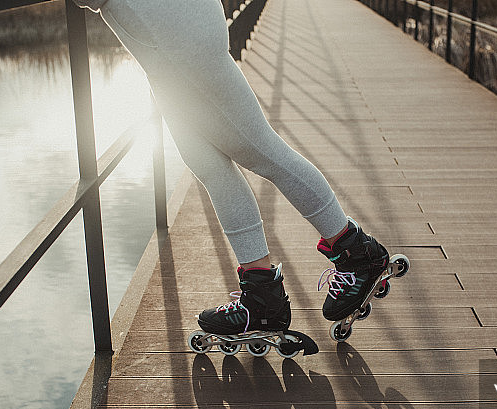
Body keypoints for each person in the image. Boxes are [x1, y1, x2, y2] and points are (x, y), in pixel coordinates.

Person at [74, 0, 391, 338]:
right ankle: (261, 292)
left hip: (179, 39)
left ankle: (356, 252)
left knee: (262, 151)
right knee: (209, 166)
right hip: (164, 48)